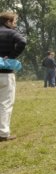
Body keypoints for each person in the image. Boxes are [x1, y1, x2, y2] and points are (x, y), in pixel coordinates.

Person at [0, 12, 27, 142]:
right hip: (6, 73)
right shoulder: (11, 33)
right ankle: (3, 133)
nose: (15, 24)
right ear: (8, 21)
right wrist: (11, 56)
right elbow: (22, 41)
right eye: (14, 22)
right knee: (5, 103)